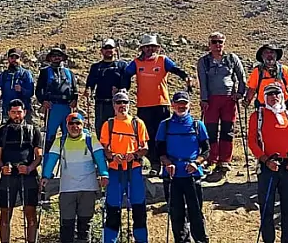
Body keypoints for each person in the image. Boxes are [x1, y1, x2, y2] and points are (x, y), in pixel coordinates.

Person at [247, 83, 288, 243]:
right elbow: (252, 141)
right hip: (267, 166)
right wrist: (265, 160)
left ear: (282, 95)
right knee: (267, 207)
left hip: (287, 167)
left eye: (277, 93)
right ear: (264, 97)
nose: (274, 97)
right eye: (269, 94)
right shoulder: (258, 116)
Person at [155, 91, 211, 243]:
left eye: (184, 103)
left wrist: (197, 162)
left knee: (196, 213)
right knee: (176, 214)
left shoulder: (197, 125)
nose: (182, 106)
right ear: (172, 105)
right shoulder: (164, 125)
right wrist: (166, 162)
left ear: (189, 104)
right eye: (178, 103)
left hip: (192, 174)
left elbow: (207, 150)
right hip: (172, 176)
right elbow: (159, 150)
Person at [42, 112, 108, 243]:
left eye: (77, 123)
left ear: (82, 125)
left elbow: (100, 159)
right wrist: (46, 175)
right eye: (71, 124)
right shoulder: (60, 141)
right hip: (67, 188)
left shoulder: (91, 140)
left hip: (88, 187)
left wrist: (104, 174)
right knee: (67, 221)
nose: (74, 127)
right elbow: (52, 159)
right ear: (66, 126)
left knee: (85, 221)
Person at [123, 34, 191, 174]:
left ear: (158, 48)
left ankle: (166, 162)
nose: (150, 49)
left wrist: (186, 78)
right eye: (147, 47)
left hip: (161, 104)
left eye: (153, 46)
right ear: (143, 48)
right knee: (148, 135)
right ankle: (154, 164)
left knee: (163, 135)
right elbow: (126, 74)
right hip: (143, 105)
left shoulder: (163, 60)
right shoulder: (136, 63)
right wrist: (123, 88)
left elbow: (176, 70)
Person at [99, 91, 151, 243]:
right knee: (113, 210)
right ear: (114, 105)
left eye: (125, 102)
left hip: (134, 170)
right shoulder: (109, 124)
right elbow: (104, 148)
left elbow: (145, 147)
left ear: (130, 104)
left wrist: (134, 154)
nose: (122, 105)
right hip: (115, 171)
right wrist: (113, 156)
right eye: (118, 102)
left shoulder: (138, 123)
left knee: (139, 209)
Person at [0, 99, 44, 243]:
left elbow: (39, 156)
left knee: (31, 215)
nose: (16, 115)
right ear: (8, 113)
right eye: (13, 112)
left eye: (19, 112)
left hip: (28, 177)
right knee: (5, 216)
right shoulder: (2, 132)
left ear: (25, 112)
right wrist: (2, 168)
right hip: (8, 177)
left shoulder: (33, 130)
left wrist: (29, 168)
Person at [196, 32, 247, 181]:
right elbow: (202, 82)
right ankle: (211, 159)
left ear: (224, 44)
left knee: (228, 130)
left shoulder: (232, 59)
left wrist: (240, 93)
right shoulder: (203, 62)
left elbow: (241, 77)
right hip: (211, 100)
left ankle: (225, 160)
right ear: (209, 44)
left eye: (220, 42)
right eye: (214, 42)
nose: (217, 45)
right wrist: (204, 99)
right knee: (210, 130)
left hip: (229, 100)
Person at [36, 47, 79, 151]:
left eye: (58, 56)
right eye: (54, 56)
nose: (56, 58)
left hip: (67, 107)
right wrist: (43, 101)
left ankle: (67, 157)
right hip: (52, 108)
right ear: (50, 58)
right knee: (50, 136)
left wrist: (75, 100)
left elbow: (74, 89)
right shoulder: (45, 72)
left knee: (68, 133)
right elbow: (38, 90)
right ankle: (47, 160)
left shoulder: (69, 73)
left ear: (62, 58)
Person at [84, 39, 129, 135]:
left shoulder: (122, 65)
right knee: (101, 129)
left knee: (118, 128)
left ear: (115, 50)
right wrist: (88, 90)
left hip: (118, 104)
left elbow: (126, 84)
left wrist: (120, 90)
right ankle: (101, 149)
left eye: (110, 48)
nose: (108, 50)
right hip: (101, 103)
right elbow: (90, 83)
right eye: (105, 48)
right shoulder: (95, 67)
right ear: (101, 51)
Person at [244, 44, 288, 111]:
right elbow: (251, 89)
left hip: (282, 106)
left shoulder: (284, 70)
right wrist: (247, 101)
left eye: (272, 52)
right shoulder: (257, 71)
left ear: (276, 55)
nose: (269, 55)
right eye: (266, 53)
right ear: (262, 56)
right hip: (263, 107)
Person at [0, 48, 35, 124]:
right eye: (12, 57)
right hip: (8, 110)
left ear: (20, 59)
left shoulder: (26, 74)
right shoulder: (3, 75)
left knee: (25, 133)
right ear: (8, 59)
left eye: (16, 57)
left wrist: (22, 90)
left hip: (23, 110)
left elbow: (31, 92)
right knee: (7, 133)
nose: (14, 60)